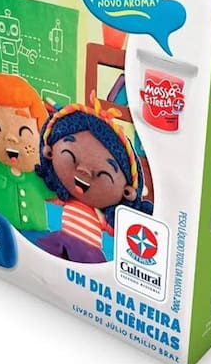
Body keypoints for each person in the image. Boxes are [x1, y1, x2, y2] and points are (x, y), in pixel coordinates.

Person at [36, 92, 153, 263]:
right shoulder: (65, 199)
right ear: (49, 152)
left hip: (89, 253)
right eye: (71, 155)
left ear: (127, 192)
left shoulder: (101, 215)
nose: (83, 170)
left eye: (104, 173)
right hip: (62, 241)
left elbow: (115, 230)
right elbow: (45, 196)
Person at [0, 71, 55, 231]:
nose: (10, 137)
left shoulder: (38, 172)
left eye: (23, 132)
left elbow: (53, 191)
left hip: (34, 229)